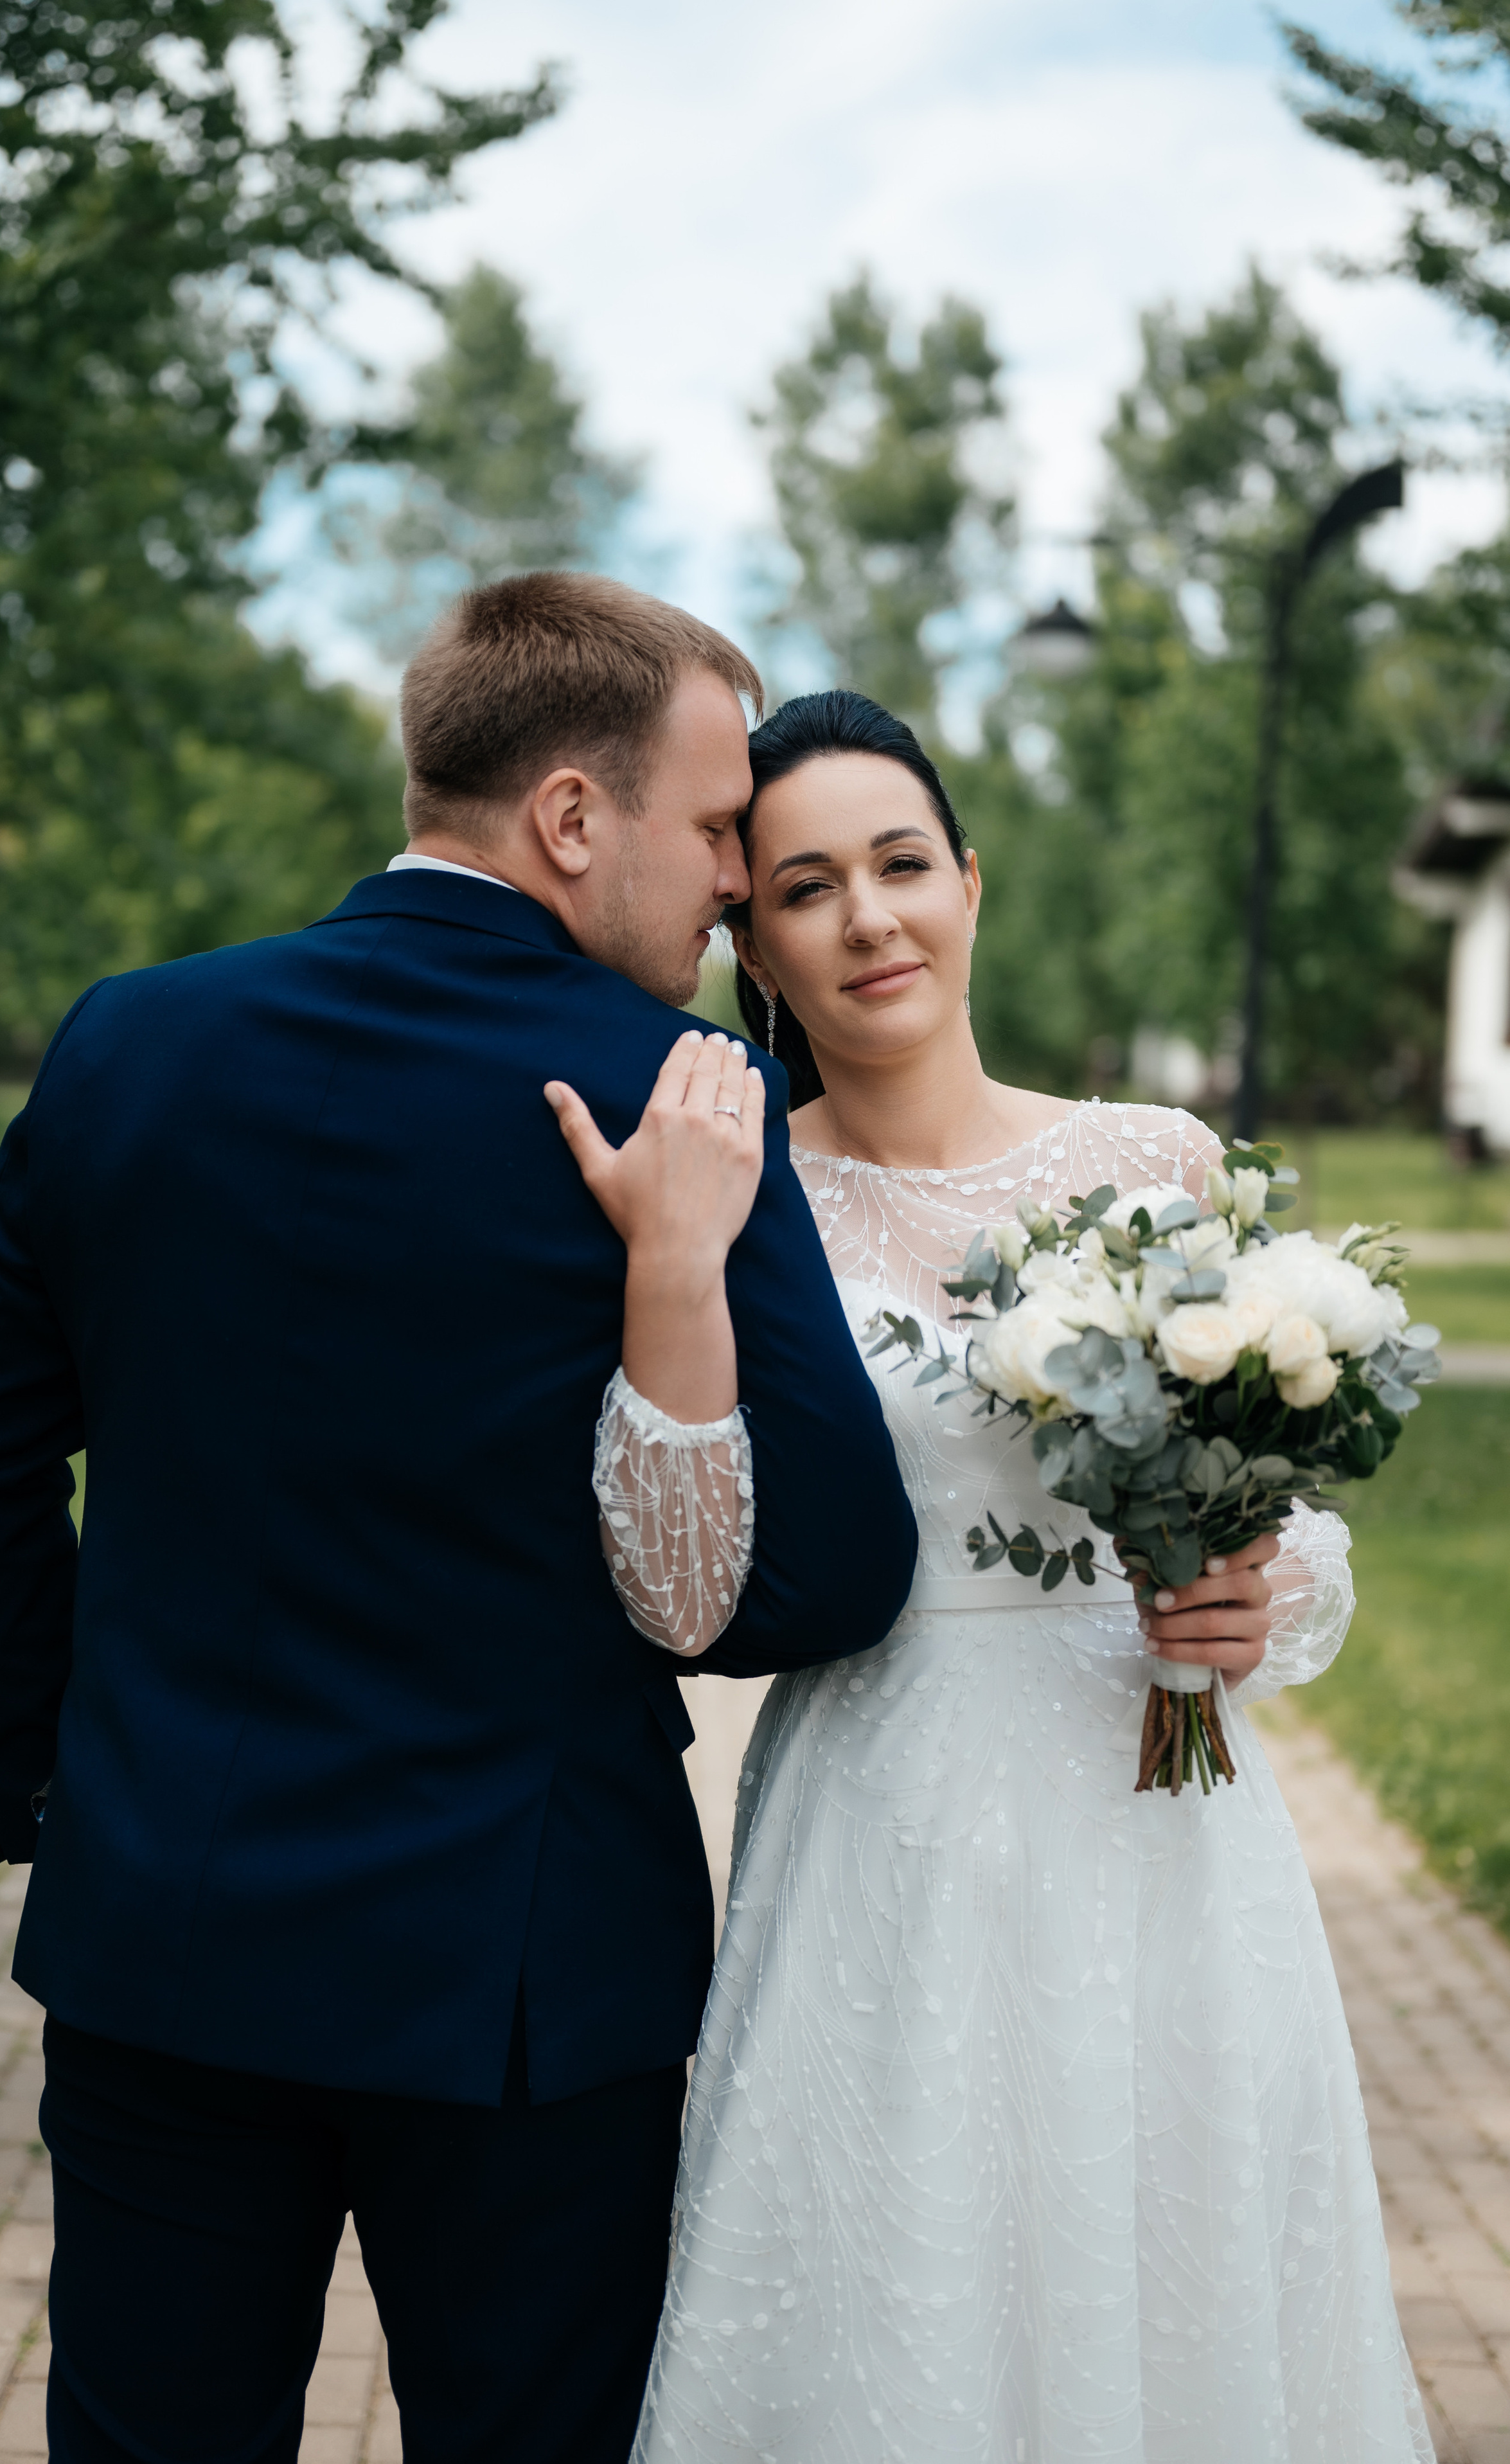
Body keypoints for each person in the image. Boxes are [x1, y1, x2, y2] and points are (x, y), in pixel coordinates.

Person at [0, 585, 918, 2464]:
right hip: (528, 1990)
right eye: (711, 833)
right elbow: (835, 1569)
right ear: (573, 819)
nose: (729, 891)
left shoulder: (131, 1044)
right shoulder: (681, 1099)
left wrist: (65, 1790)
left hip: (162, 1948)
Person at [620, 689, 1433, 2463]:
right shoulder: (744, 1194)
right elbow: (690, 1552)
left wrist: (1259, 1591)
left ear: (972, 884)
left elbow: (1279, 1515)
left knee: (1170, 2268)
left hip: (1161, 1827)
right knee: (897, 2271)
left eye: (903, 863)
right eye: (809, 883)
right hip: (882, 1823)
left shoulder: (1156, 1166)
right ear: (752, 935)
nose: (869, 916)